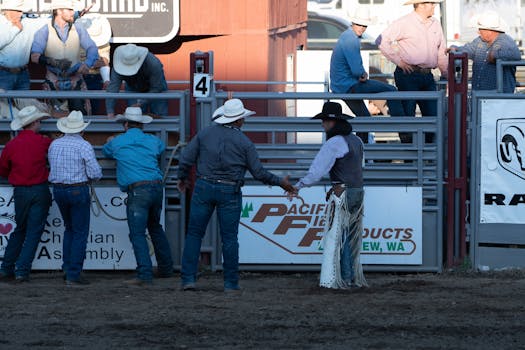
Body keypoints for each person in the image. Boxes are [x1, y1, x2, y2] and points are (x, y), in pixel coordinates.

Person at [177, 98, 296, 292]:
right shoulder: (245, 143)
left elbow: (186, 158)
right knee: (230, 238)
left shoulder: (205, 134)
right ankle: (230, 283)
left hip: (204, 186)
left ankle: (188, 279)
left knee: (195, 234)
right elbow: (259, 173)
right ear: (239, 120)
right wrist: (281, 183)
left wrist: (182, 178)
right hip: (230, 190)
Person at [294, 101, 367, 289]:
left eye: (325, 121)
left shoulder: (334, 142)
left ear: (331, 123)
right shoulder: (357, 141)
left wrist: (299, 185)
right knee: (350, 234)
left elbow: (317, 171)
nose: (323, 124)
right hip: (357, 191)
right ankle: (350, 276)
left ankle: (343, 277)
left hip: (342, 192)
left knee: (338, 235)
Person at [102, 107, 173, 285]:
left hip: (138, 190)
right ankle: (166, 268)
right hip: (156, 187)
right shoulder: (152, 140)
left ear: (125, 124)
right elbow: (161, 148)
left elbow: (106, 151)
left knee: (137, 233)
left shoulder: (117, 142)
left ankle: (144, 273)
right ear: (142, 124)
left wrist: (112, 140)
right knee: (155, 227)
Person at [330, 7, 405, 143]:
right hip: (350, 85)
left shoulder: (346, 36)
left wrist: (360, 74)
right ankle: (402, 128)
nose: (362, 28)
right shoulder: (351, 40)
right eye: (359, 24)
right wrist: (363, 74)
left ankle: (359, 148)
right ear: (353, 23)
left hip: (341, 86)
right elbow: (356, 69)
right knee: (392, 90)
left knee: (364, 118)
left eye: (364, 25)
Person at [377, 0, 448, 143]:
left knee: (433, 116)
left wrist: (446, 75)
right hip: (408, 74)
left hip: (426, 74)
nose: (434, 6)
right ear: (421, 5)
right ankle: (411, 156)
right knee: (408, 117)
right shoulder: (405, 22)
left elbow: (441, 51)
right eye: (431, 3)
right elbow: (381, 40)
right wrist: (399, 61)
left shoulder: (435, 23)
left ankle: (427, 154)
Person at [48, 110, 102, 286]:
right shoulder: (84, 145)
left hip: (59, 189)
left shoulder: (54, 144)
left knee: (69, 229)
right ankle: (73, 273)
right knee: (79, 232)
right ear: (82, 130)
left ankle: (67, 267)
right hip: (78, 189)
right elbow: (95, 172)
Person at [0, 106, 52, 283]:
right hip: (39, 188)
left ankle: (6, 267)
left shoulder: (11, 145)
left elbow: (3, 169)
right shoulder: (43, 142)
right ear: (35, 122)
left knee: (19, 229)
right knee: (33, 231)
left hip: (20, 190)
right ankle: (22, 270)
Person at [30, 0, 99, 115]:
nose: (73, 12)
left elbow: (92, 48)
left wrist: (87, 64)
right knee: (53, 121)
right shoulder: (44, 30)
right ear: (59, 11)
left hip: (75, 79)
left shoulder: (78, 28)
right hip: (54, 80)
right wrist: (54, 62)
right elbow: (34, 56)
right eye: (70, 10)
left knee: (80, 118)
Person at [448, 11, 521, 93]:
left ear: (489, 30)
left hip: (499, 97)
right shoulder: (479, 41)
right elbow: (468, 49)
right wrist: (455, 49)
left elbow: (516, 55)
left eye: (480, 29)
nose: (478, 32)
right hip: (480, 95)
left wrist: (495, 55)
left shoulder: (506, 42)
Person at [105, 44, 168, 118]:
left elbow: (157, 88)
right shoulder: (117, 66)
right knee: (134, 117)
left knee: (159, 116)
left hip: (155, 88)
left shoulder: (153, 64)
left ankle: (158, 127)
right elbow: (113, 89)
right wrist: (110, 112)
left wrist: (140, 103)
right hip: (133, 87)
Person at [76, 13, 112, 114]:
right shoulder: (74, 39)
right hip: (77, 77)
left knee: (94, 107)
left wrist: (84, 63)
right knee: (77, 107)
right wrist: (93, 62)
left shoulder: (103, 43)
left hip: (94, 78)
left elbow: (104, 61)